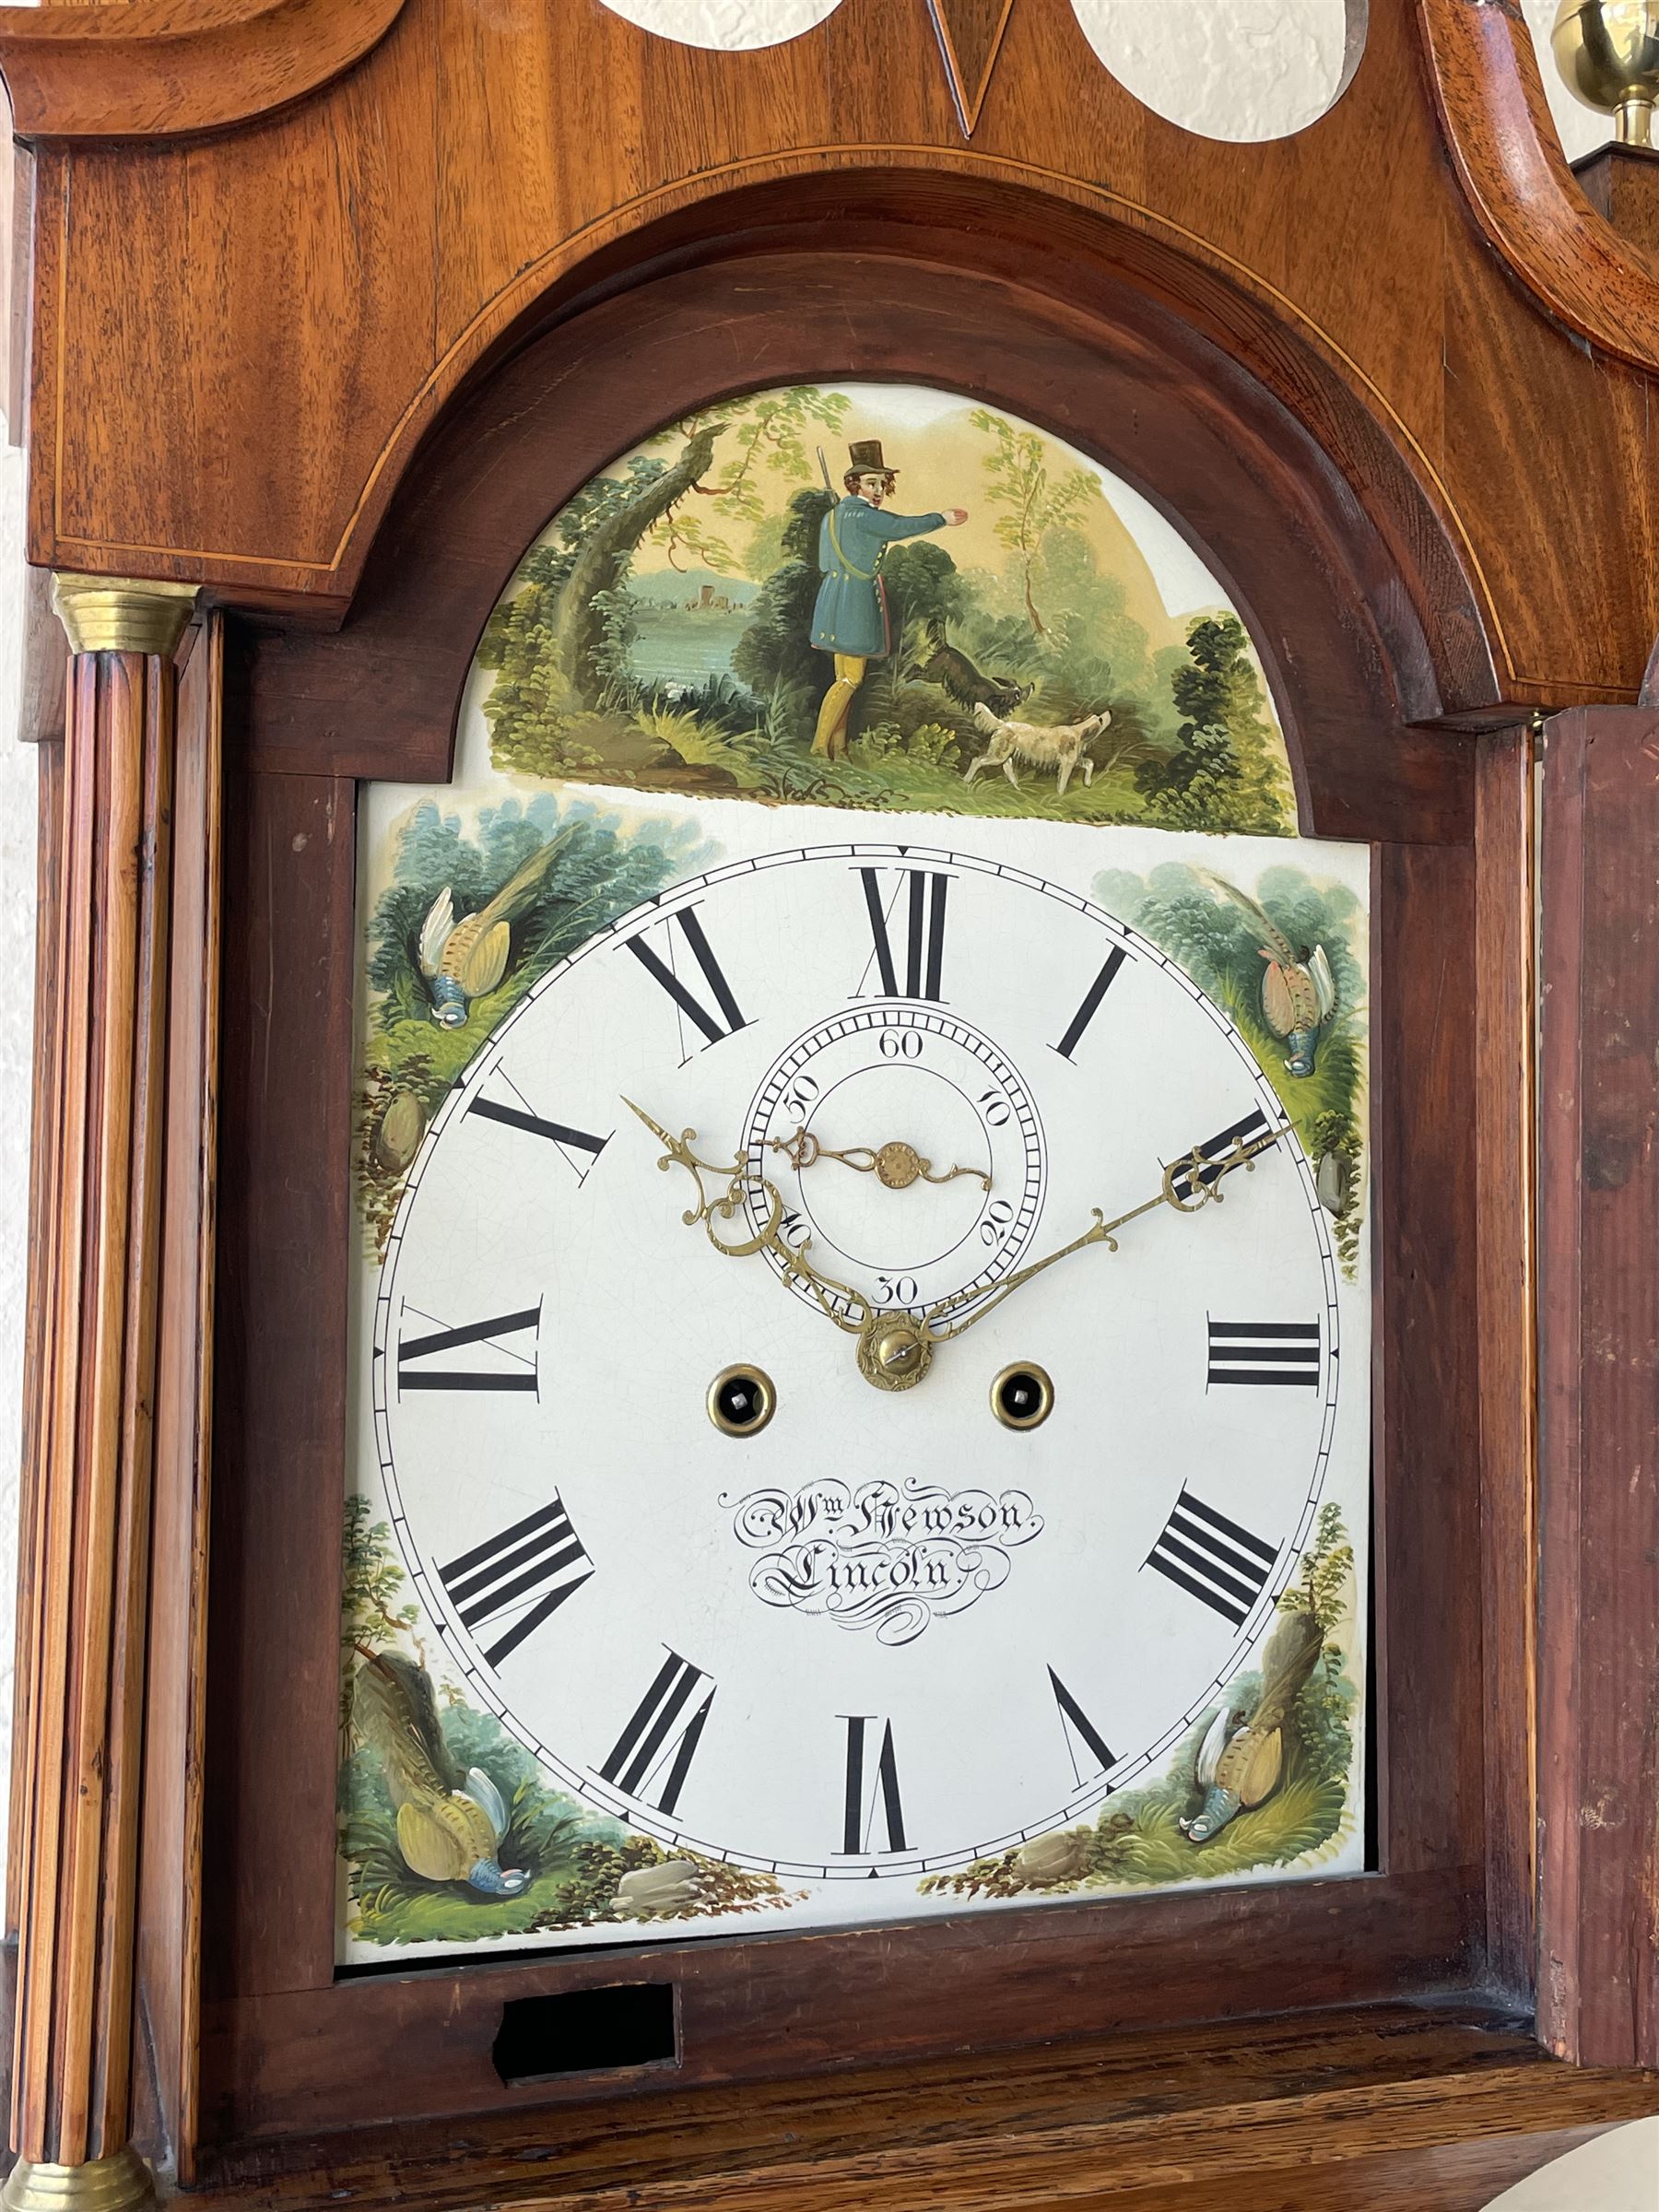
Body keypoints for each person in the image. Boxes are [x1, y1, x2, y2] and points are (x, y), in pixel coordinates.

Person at [809, 440, 968, 759]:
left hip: (831, 599)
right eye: (871, 483)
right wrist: (942, 518)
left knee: (844, 678)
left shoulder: (833, 516)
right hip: (854, 600)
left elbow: (825, 563)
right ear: (854, 485)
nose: (878, 491)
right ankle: (817, 748)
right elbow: (899, 526)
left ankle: (838, 750)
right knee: (851, 679)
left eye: (882, 484)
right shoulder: (865, 516)